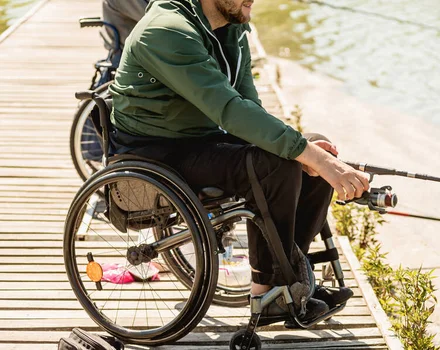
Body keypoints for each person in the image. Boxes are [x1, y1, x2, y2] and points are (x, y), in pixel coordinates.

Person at [108, 0, 370, 320]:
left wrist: (312, 156)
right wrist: (303, 155)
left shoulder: (231, 29)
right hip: (157, 154)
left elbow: (250, 109)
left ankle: (291, 275)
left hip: (201, 139)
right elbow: (230, 111)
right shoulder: (167, 31)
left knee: (313, 153)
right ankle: (268, 293)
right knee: (280, 163)